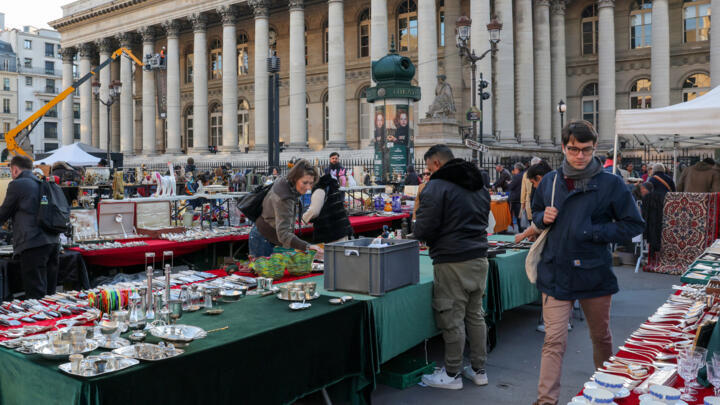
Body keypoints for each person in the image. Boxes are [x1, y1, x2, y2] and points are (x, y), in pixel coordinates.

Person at [531, 120, 644, 405]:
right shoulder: (549, 181)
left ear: (595, 149)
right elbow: (534, 213)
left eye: (586, 149)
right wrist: (540, 217)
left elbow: (633, 224)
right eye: (573, 149)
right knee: (553, 341)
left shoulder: (611, 183)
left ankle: (606, 390)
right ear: (563, 148)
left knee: (601, 337)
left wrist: (593, 232)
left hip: (594, 271)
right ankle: (546, 401)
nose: (579, 155)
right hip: (556, 270)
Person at [414, 145, 490, 390]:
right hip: (479, 256)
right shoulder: (479, 185)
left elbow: (423, 229)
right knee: (475, 315)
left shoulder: (436, 187)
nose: (426, 173)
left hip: (452, 259)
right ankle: (479, 370)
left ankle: (452, 373)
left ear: (436, 164)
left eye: (427, 168)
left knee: (452, 318)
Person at [0, 156, 62, 299]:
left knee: (36, 295)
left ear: (15, 169)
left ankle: (39, 322)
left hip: (33, 244)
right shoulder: (42, 183)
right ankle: (52, 321)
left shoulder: (17, 185)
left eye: (11, 171)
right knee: (49, 295)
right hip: (52, 242)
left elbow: (3, 213)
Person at [250, 159, 323, 258]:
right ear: (295, 179)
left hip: (268, 235)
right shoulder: (284, 197)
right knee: (265, 272)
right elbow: (284, 234)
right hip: (264, 239)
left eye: (311, 183)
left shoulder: (286, 183)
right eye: (305, 183)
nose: (309, 187)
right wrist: (307, 246)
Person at [302, 173, 353, 244]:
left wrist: (303, 219)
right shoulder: (330, 185)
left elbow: (314, 211)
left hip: (331, 234)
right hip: (340, 230)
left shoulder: (320, 188)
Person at [515, 161, 552, 244]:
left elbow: (546, 220)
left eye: (533, 183)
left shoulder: (552, 192)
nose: (534, 186)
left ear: (539, 178)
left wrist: (524, 234)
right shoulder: (545, 189)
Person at [521, 157, 543, 222]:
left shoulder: (526, 174)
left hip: (529, 201)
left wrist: (522, 203)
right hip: (539, 202)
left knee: (532, 222)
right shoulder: (542, 173)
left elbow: (523, 190)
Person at [508, 162, 525, 232]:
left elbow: (511, 186)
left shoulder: (517, 176)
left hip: (516, 199)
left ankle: (521, 231)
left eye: (515, 169)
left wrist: (509, 183)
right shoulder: (525, 174)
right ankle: (523, 231)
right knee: (523, 217)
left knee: (518, 217)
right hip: (522, 198)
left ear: (517, 169)